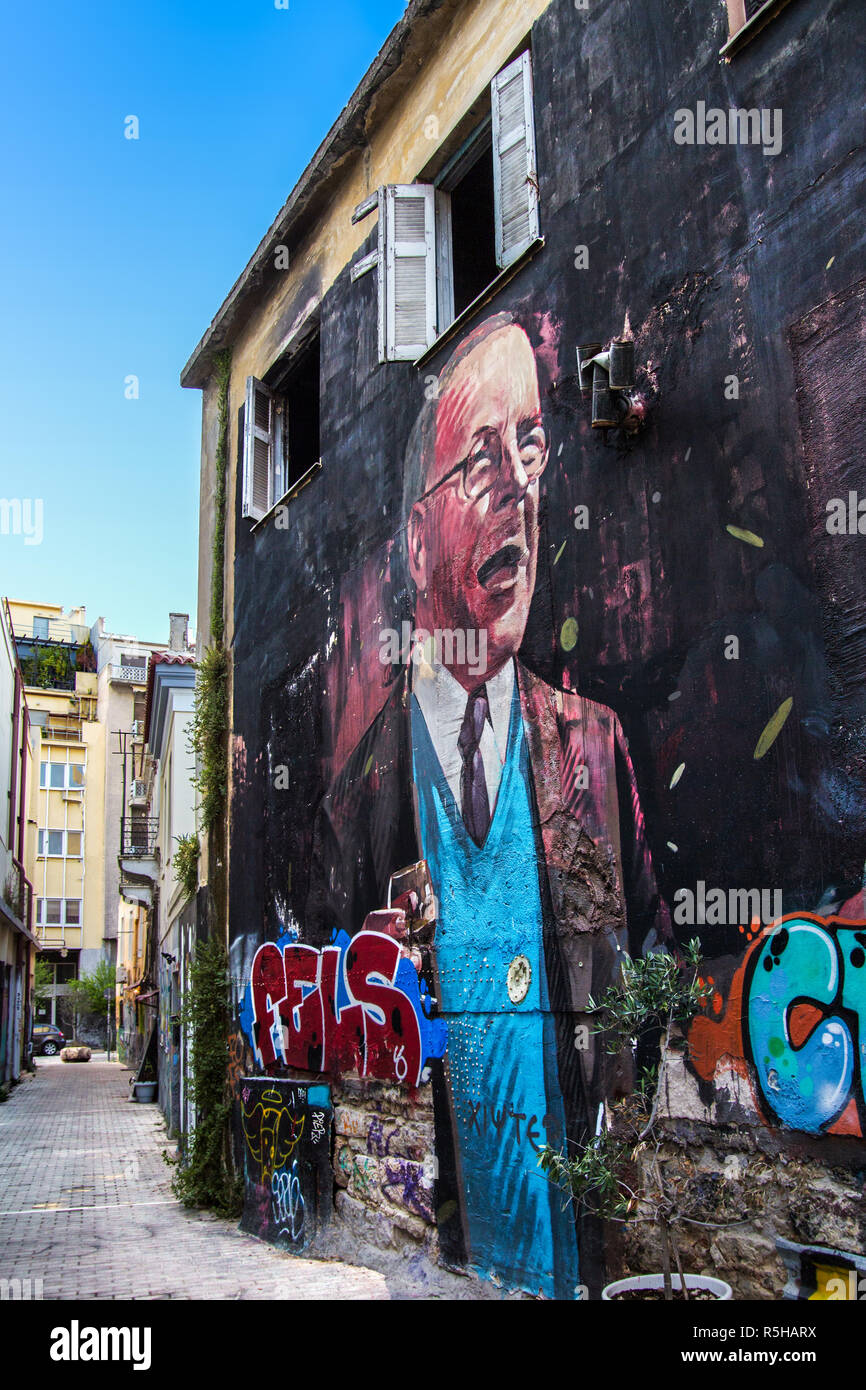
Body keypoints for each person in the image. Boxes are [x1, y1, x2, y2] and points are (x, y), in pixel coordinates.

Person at [307, 311, 670, 1298]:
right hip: (435, 1266)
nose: (518, 487)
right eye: (478, 460)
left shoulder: (594, 750)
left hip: (581, 1264)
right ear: (416, 537)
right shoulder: (358, 804)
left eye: (531, 447)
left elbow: (650, 984)